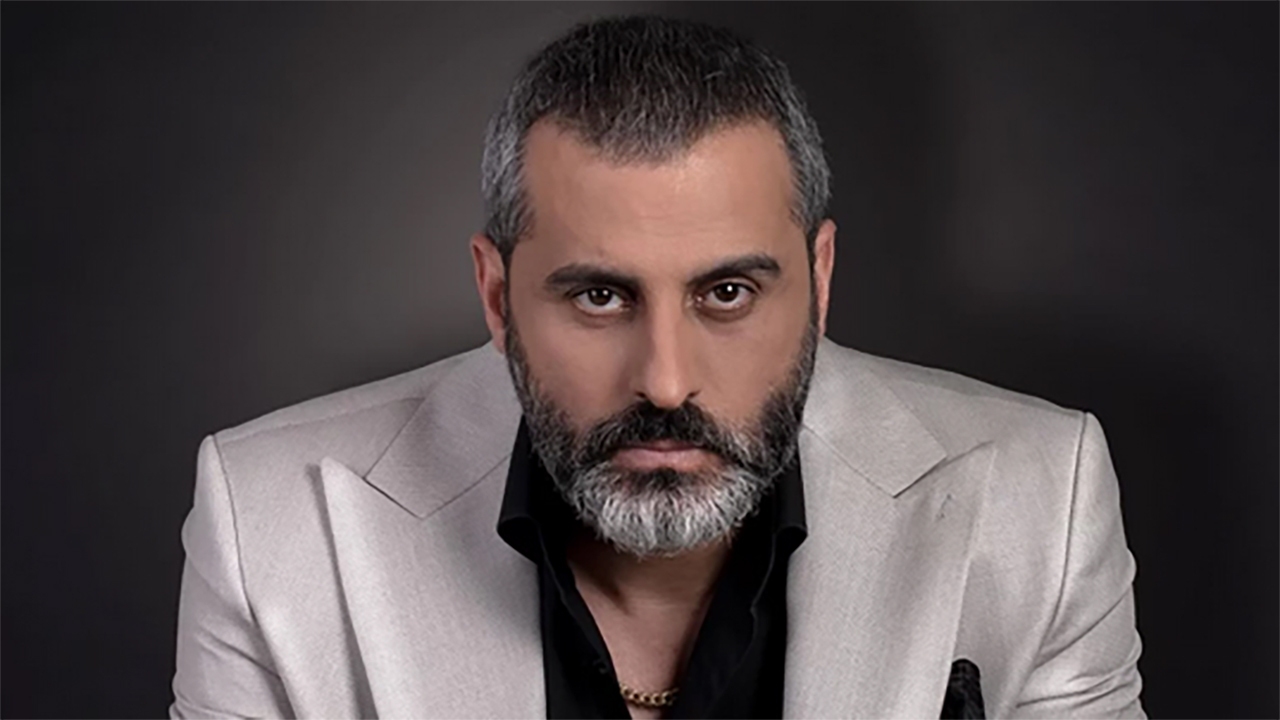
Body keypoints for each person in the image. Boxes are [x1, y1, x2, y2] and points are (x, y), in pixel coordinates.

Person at [170, 15, 1144, 719]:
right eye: (600, 297)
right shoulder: (271, 524)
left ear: (818, 279)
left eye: (727, 293)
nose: (666, 383)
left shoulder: (1037, 506)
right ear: (497, 296)